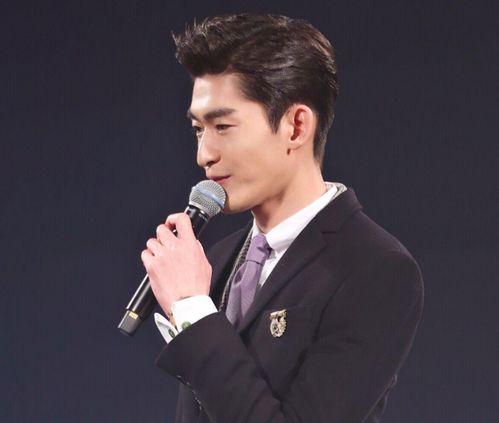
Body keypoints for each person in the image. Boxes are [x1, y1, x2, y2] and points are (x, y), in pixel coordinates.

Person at [140, 13, 424, 423]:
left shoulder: (375, 269)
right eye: (199, 130)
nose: (204, 155)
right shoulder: (216, 262)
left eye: (223, 126)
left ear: (295, 126)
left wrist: (193, 310)